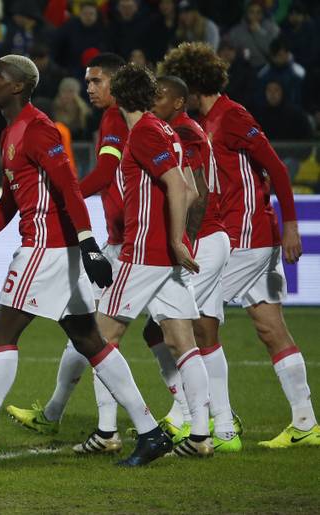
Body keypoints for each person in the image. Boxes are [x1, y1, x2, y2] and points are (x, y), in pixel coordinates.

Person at [0, 55, 171, 467]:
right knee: (90, 340)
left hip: (45, 247)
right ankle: (150, 431)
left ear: (18, 86)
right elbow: (7, 205)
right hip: (53, 249)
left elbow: (69, 186)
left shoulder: (38, 130)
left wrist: (89, 244)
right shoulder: (11, 134)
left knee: (2, 333)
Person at [161, 42, 320, 447]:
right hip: (238, 237)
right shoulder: (203, 121)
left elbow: (278, 170)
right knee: (270, 328)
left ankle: (208, 419)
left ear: (195, 85)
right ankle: (304, 422)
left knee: (191, 321)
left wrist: (291, 227)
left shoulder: (231, 117)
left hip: (246, 237)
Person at [96, 62, 214, 457]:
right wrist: (176, 242)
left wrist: (177, 240)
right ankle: (200, 436)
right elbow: (193, 190)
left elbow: (179, 187)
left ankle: (142, 429)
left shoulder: (144, 132)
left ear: (118, 95)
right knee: (183, 343)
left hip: (145, 253)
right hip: (164, 258)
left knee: (99, 339)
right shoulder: (164, 129)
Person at [151, 74, 242, 451]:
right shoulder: (178, 129)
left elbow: (198, 193)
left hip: (201, 242)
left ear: (177, 102)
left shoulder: (184, 134)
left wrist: (181, 242)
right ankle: (220, 426)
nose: (153, 100)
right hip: (207, 239)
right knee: (202, 333)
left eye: (160, 96)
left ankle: (193, 417)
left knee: (173, 332)